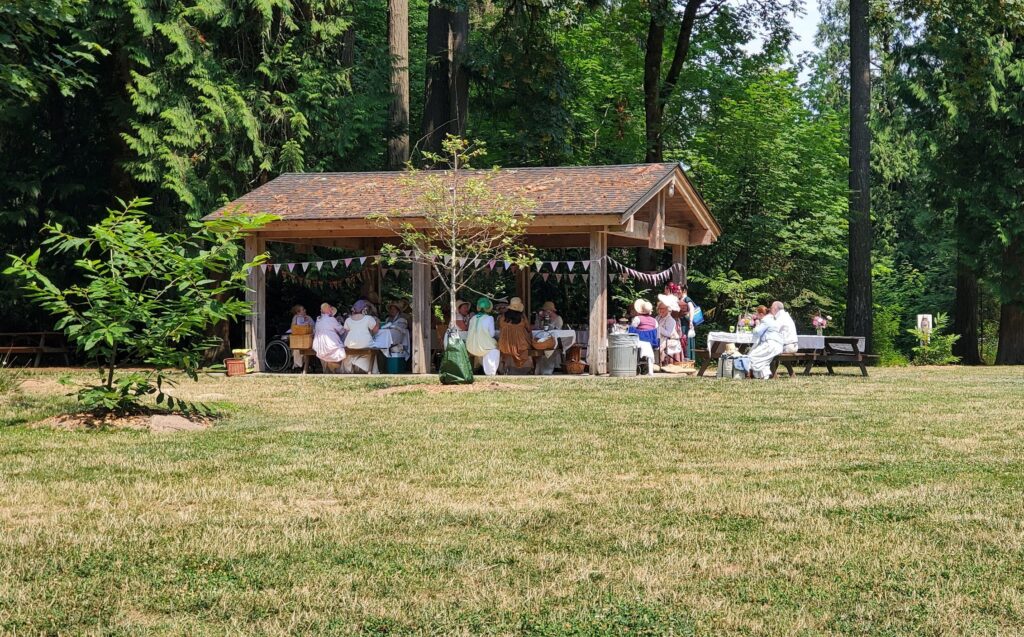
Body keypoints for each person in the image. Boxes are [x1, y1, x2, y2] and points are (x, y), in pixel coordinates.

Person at [342, 299, 380, 374]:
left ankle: (353, 364)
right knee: (372, 348)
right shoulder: (368, 318)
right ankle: (369, 369)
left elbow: (346, 333)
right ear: (364, 309)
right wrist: (377, 323)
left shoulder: (348, 320)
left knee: (352, 349)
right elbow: (375, 330)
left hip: (350, 344)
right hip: (364, 343)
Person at [747, 304, 783, 379]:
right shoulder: (772, 319)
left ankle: (755, 375)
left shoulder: (766, 320)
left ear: (761, 314)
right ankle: (764, 376)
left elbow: (757, 332)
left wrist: (757, 324)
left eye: (757, 314)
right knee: (765, 360)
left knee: (751, 355)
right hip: (776, 345)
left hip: (771, 345)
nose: (756, 316)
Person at [498, 297, 533, 374]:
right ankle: (529, 369)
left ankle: (505, 369)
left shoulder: (503, 317)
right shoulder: (522, 317)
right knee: (529, 343)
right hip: (521, 345)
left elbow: (500, 327)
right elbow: (529, 329)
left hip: (505, 345)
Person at [466, 297, 499, 376]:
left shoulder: (472, 318)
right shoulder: (489, 318)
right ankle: (491, 372)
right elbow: (492, 334)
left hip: (471, 346)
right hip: (483, 346)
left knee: (490, 347)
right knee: (495, 349)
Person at [312, 303, 345, 373]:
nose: (331, 310)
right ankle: (334, 366)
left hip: (318, 345)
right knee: (342, 348)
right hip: (329, 344)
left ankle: (329, 367)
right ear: (327, 310)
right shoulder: (331, 319)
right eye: (330, 309)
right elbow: (342, 331)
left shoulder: (318, 320)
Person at [656, 294, 682, 366]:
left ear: (667, 309)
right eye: (660, 308)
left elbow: (668, 334)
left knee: (660, 347)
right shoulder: (657, 318)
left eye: (663, 308)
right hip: (660, 338)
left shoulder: (670, 320)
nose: (661, 310)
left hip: (671, 340)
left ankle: (659, 363)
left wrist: (658, 328)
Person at [289, 305, 314, 370]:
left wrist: (308, 323)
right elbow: (294, 328)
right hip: (298, 338)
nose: (305, 310)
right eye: (303, 309)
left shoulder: (309, 317)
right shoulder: (296, 318)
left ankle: (303, 365)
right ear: (298, 312)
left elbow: (313, 327)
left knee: (305, 346)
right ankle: (298, 365)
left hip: (308, 338)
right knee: (297, 348)